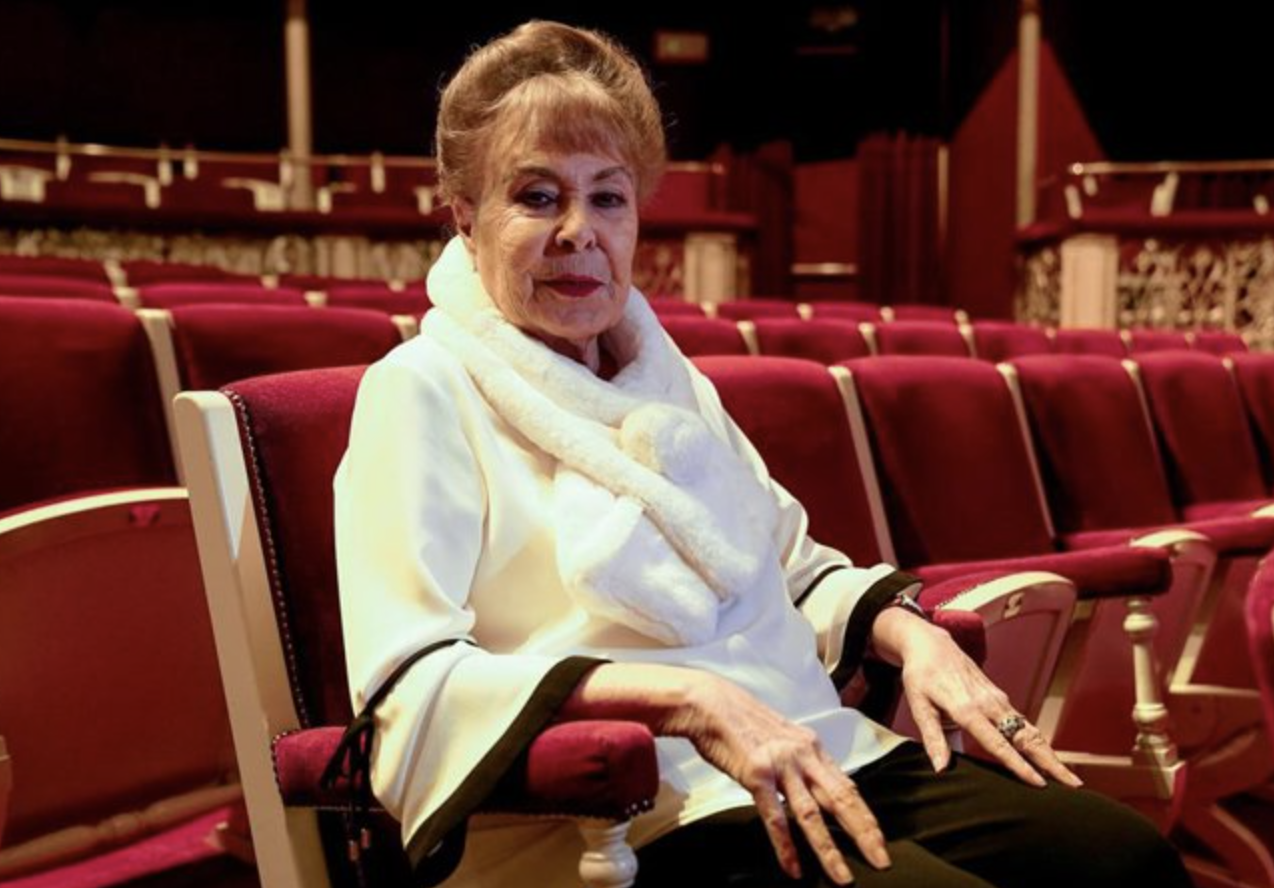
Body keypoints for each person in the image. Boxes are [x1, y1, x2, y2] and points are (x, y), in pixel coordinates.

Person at [333, 20, 1193, 888]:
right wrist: (688, 700)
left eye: (608, 198)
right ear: (465, 216)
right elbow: (411, 682)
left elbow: (790, 569)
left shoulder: (666, 379)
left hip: (809, 743)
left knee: (1126, 860)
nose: (579, 231)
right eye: (537, 196)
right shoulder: (421, 390)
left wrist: (913, 634)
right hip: (624, 812)